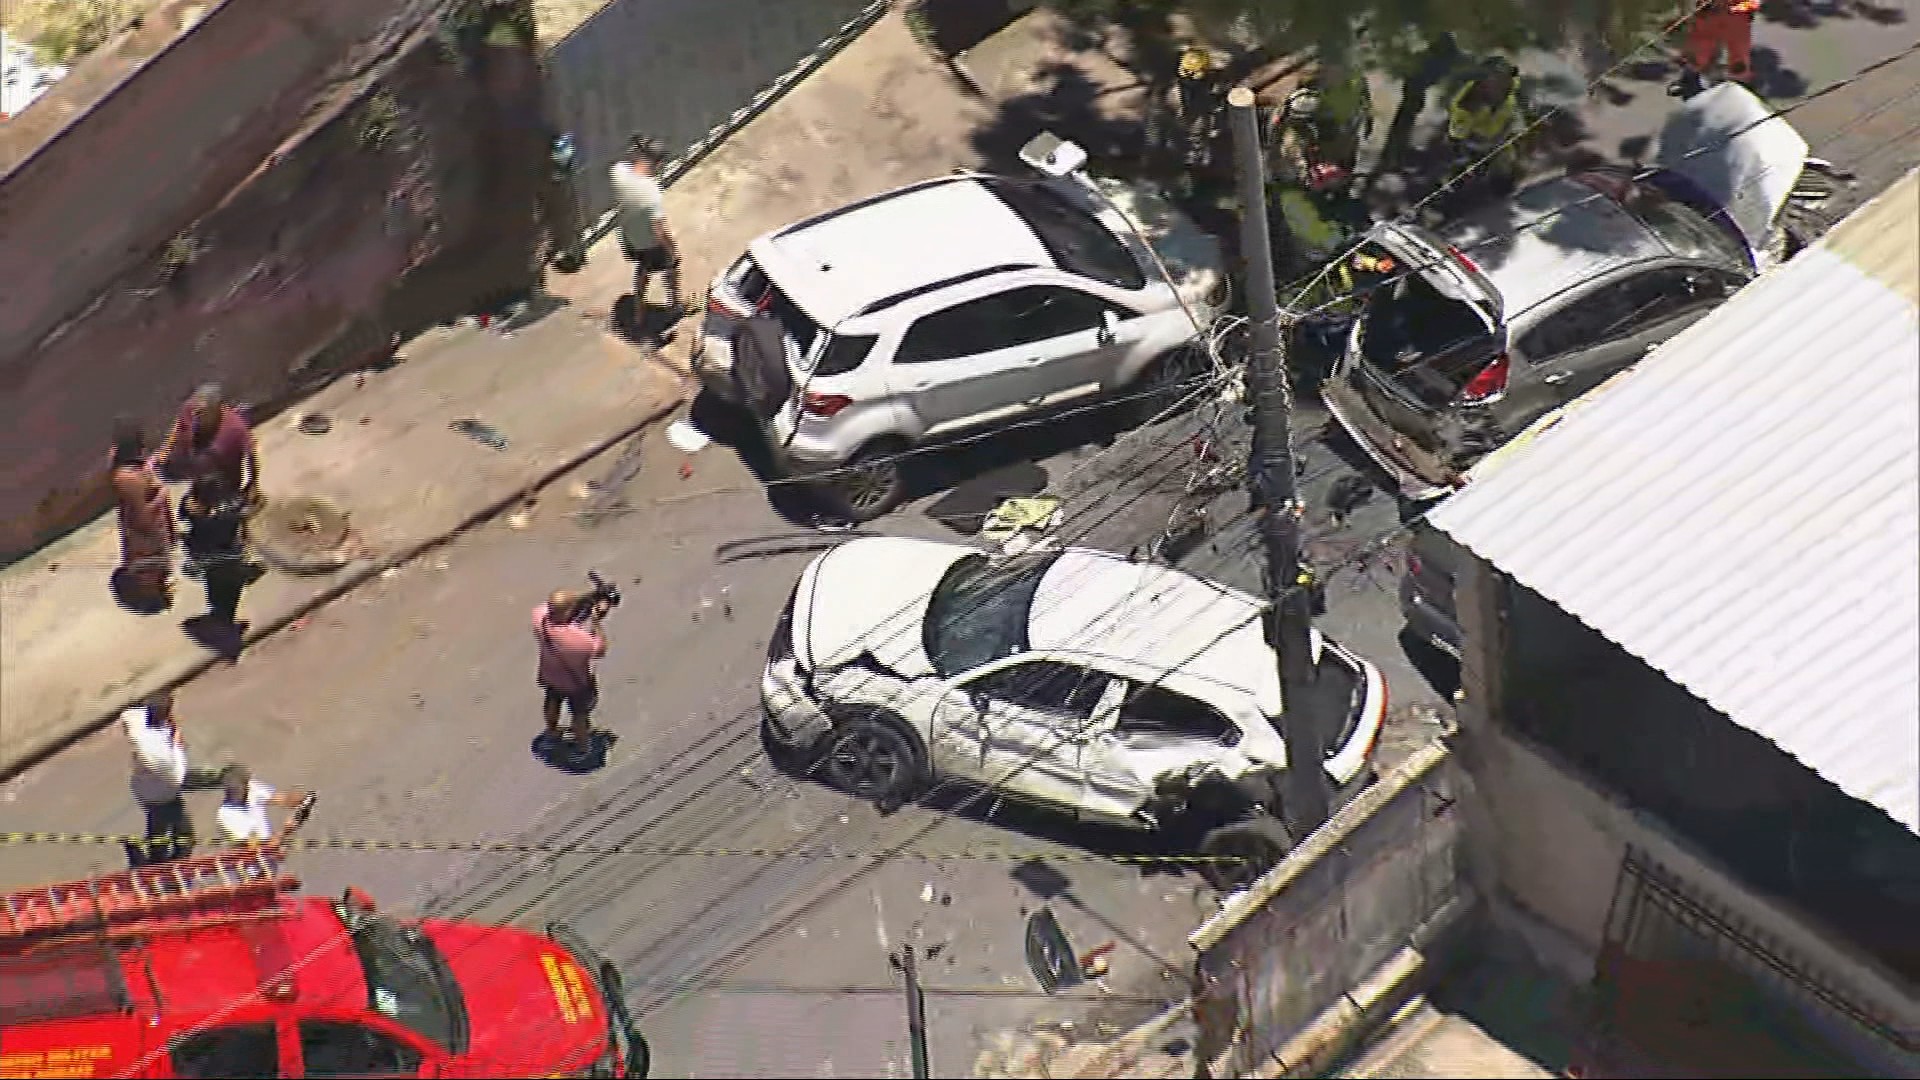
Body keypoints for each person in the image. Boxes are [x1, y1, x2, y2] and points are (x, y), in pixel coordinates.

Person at [123, 691, 223, 865]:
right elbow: (176, 776)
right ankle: (160, 862)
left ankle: (152, 855)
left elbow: (128, 715)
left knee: (159, 825)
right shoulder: (154, 750)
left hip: (150, 787)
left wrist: (171, 726)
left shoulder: (138, 722)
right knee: (180, 832)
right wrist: (176, 745)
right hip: (159, 793)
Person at [609, 136, 687, 318]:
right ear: (658, 163)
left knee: (643, 267)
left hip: (629, 236)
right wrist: (673, 250)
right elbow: (660, 232)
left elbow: (626, 160)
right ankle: (675, 304)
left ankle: (638, 308)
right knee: (672, 267)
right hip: (650, 242)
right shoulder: (651, 193)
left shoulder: (618, 172)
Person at [533, 588, 610, 761]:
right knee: (579, 715)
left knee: (552, 701)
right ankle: (582, 749)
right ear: (568, 612)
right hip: (576, 682)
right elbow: (600, 649)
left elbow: (554, 609)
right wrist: (596, 621)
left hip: (550, 673)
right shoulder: (577, 641)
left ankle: (552, 733)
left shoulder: (539, 618)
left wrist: (586, 598)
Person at [156, 384, 259, 503]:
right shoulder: (191, 409)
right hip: (196, 462)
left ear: (217, 409)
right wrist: (167, 448)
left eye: (202, 412)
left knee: (220, 504)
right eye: (195, 410)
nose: (196, 415)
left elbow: (251, 455)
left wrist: (253, 484)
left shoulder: (235, 428)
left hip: (223, 472)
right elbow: (180, 425)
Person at [110, 419, 176, 604]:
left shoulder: (133, 473)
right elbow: (144, 519)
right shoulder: (129, 478)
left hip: (148, 548)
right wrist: (161, 496)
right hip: (147, 547)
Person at [180, 471, 253, 630]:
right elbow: (241, 518)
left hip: (207, 559)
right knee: (230, 593)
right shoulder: (226, 512)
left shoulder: (189, 504)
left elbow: (183, 521)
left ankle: (219, 616)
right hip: (228, 559)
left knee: (215, 590)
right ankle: (224, 621)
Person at [1446, 58, 1524, 188]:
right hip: (1505, 78)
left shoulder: (1462, 133)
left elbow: (1468, 104)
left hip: (1484, 66)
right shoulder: (1508, 153)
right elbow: (1514, 123)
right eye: (1508, 168)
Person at [1671, 0, 1760, 98]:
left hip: (1737, 11)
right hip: (1710, 9)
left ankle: (1740, 85)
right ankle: (1689, 80)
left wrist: (1739, 8)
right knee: (1700, 45)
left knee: (1738, 49)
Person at [214, 765, 315, 846]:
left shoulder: (252, 788)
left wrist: (301, 800)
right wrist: (285, 831)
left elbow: (282, 799)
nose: (248, 785)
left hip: (269, 861)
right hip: (252, 869)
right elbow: (260, 847)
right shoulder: (227, 815)